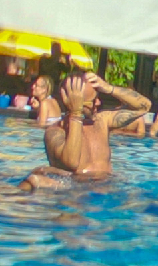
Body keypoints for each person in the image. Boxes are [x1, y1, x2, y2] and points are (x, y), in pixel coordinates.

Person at [21, 71, 151, 191]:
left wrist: (108, 88)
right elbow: (72, 163)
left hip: (106, 188)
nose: (98, 103)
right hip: (76, 193)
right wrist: (75, 113)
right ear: (75, 102)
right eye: (93, 100)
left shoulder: (101, 121)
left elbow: (144, 106)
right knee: (32, 181)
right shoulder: (55, 132)